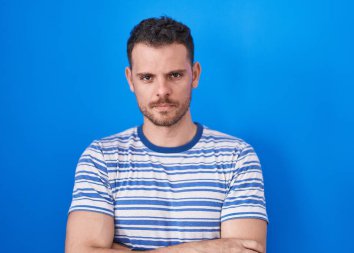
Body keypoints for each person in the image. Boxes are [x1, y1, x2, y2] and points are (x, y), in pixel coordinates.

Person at [65, 16, 268, 253]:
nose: (162, 91)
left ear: (195, 74)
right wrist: (202, 249)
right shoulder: (101, 158)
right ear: (131, 80)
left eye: (174, 75)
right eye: (147, 78)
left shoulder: (237, 157)